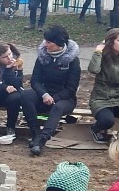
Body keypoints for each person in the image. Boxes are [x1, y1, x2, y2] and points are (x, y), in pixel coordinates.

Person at [20, 25, 81, 156]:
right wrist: (44, 94)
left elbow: (71, 88)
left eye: (49, 42)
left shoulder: (72, 61)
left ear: (59, 43)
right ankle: (35, 133)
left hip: (64, 98)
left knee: (58, 107)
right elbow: (35, 80)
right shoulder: (43, 57)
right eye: (45, 41)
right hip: (44, 95)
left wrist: (55, 98)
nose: (45, 44)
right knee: (25, 95)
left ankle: (42, 140)